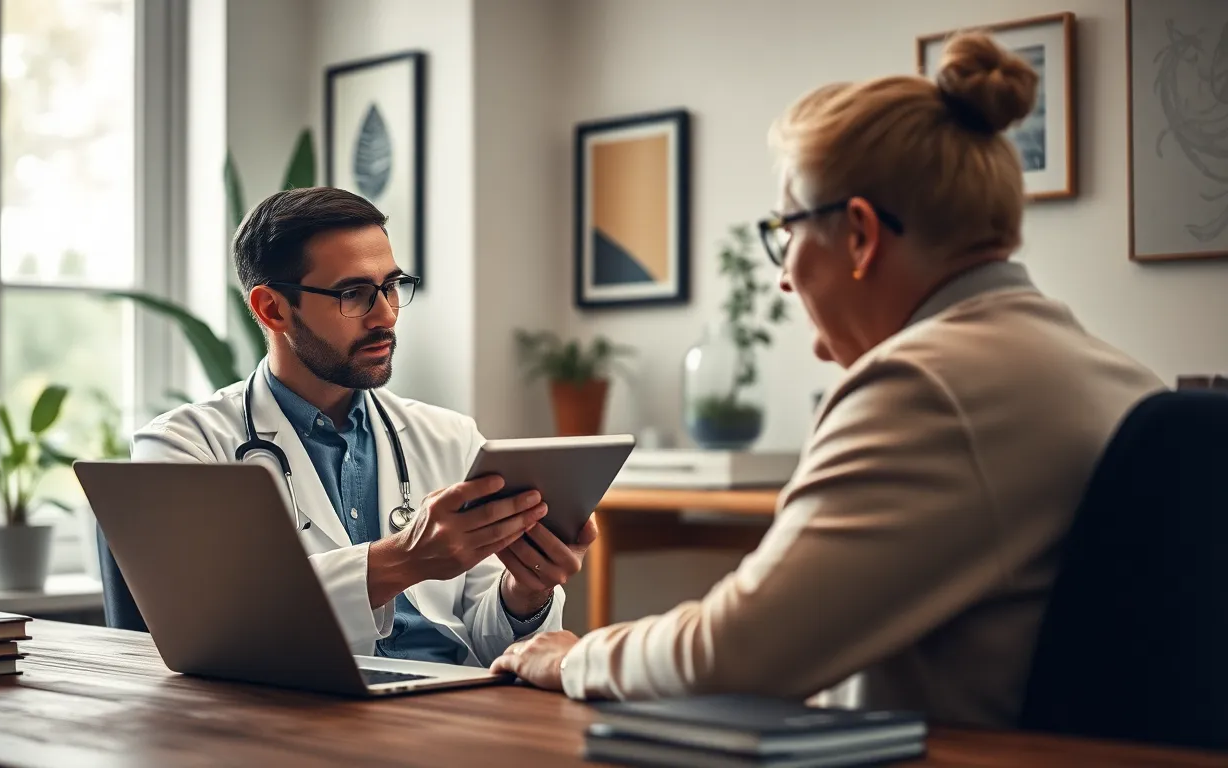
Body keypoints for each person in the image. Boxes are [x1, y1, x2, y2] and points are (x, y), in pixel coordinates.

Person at [491, 32, 1166, 727]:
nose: (782, 275)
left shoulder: (922, 386)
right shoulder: (1121, 377)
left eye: (786, 231)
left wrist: (575, 658)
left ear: (860, 236)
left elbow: (738, 651)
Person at [130, 186, 596, 667]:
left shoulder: (451, 437)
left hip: (454, 707)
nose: (386, 315)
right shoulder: (183, 447)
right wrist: (404, 560)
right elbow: (213, 627)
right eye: (353, 294)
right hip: (292, 715)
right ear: (272, 308)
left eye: (391, 286)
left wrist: (526, 591)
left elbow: (494, 646)